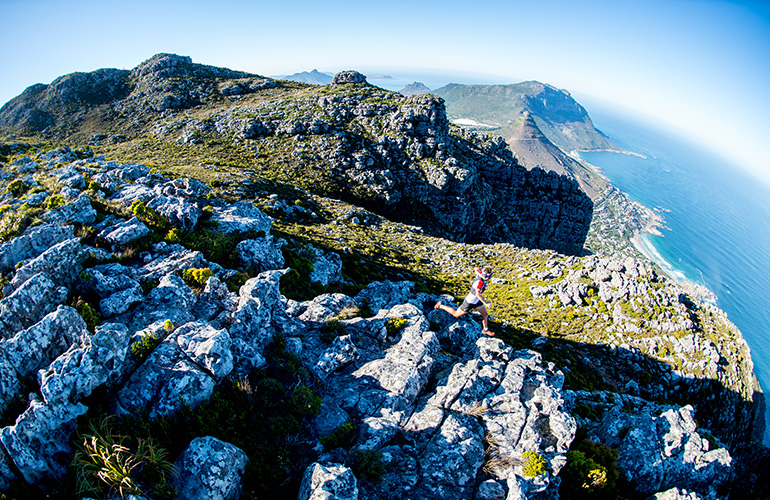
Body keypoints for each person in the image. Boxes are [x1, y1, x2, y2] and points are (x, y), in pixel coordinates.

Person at [435, 266, 494, 336]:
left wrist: (480, 269)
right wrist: (486, 303)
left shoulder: (480, 273)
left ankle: (485, 330)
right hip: (470, 302)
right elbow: (478, 293)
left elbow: (476, 269)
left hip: (477, 301)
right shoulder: (480, 282)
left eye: (490, 276)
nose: (488, 278)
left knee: (485, 314)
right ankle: (440, 305)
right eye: (488, 276)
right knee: (456, 314)